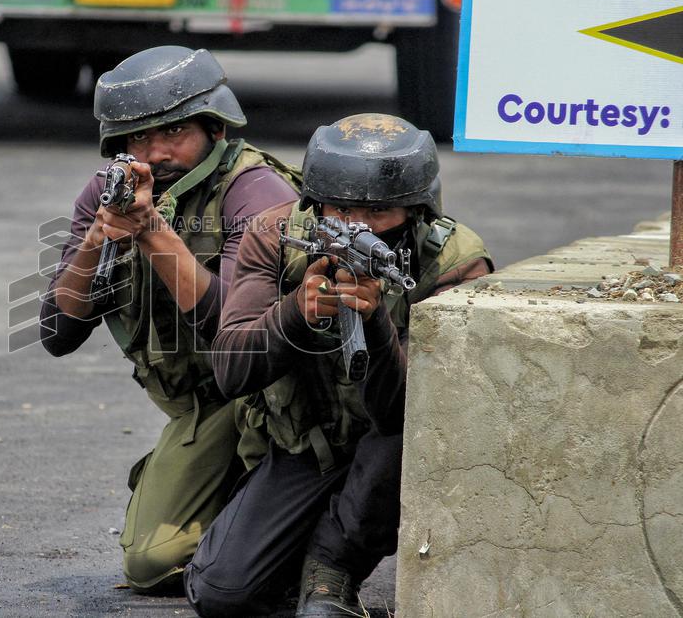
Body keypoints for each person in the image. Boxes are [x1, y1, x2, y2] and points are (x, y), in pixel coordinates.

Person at [184, 113, 493, 617]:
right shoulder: (277, 235)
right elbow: (232, 369)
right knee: (223, 594)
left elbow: (409, 415)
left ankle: (334, 568)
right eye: (343, 209)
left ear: (416, 209)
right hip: (309, 443)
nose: (358, 226)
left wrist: (373, 322)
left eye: (379, 211)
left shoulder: (453, 262)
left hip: (394, 451)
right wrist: (293, 315)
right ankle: (303, 563)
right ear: (316, 202)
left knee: (396, 442)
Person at [38, 46, 299, 594]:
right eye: (138, 139)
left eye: (174, 131)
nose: (155, 152)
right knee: (152, 563)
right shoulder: (109, 193)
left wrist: (152, 231)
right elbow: (58, 334)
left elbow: (236, 340)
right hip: (206, 405)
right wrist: (96, 241)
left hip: (275, 397)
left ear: (213, 126)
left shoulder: (257, 193)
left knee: (245, 574)